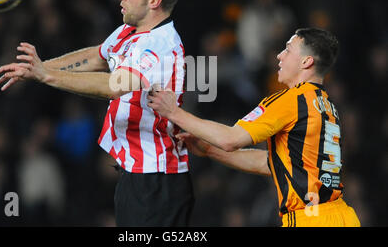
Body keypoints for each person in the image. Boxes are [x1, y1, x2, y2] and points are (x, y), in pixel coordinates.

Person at [0, 0, 194, 226]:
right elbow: (97, 57)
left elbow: (114, 85)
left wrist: (47, 75)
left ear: (154, 1)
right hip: (135, 174)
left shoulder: (161, 45)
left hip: (158, 181)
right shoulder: (129, 31)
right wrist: (36, 68)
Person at [148, 28, 361, 227]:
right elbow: (275, 164)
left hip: (310, 219)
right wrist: (210, 150)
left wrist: (173, 112)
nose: (279, 56)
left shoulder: (291, 101)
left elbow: (230, 139)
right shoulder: (326, 105)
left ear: (306, 61)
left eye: (287, 49)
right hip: (342, 216)